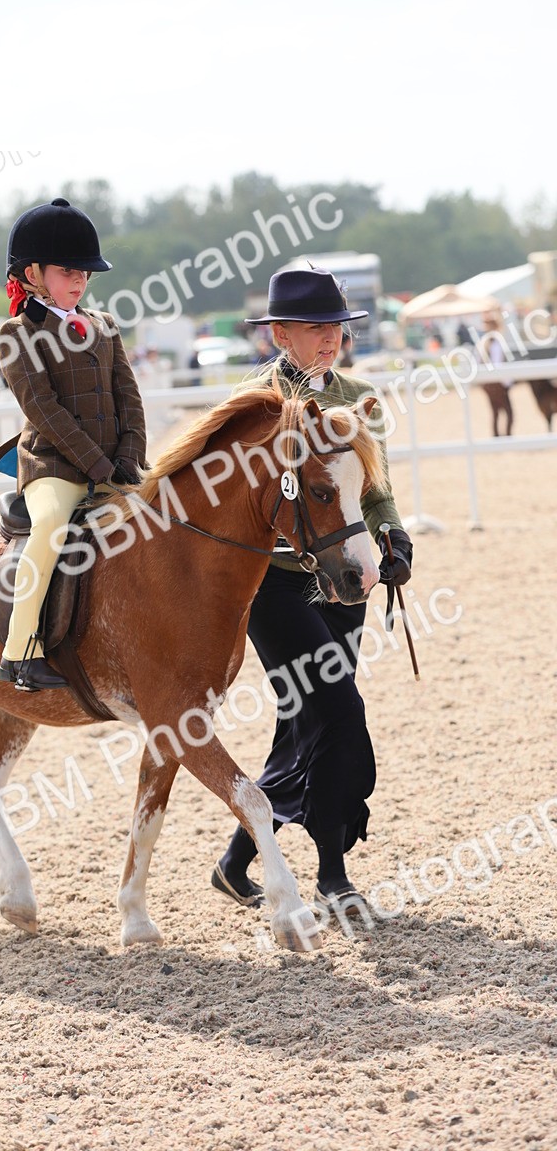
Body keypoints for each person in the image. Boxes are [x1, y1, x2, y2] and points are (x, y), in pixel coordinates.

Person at [211, 267, 413, 916]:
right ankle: (333, 873)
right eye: (317, 328)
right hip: (275, 585)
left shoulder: (357, 395)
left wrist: (395, 539)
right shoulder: (256, 405)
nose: (331, 339)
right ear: (279, 333)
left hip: (344, 581)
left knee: (302, 717)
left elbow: (373, 492)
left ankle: (236, 860)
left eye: (338, 328)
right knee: (335, 710)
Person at [0, 197, 147, 691]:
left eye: (85, 272)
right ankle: (19, 653)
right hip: (54, 466)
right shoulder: (18, 333)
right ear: (33, 273)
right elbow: (45, 411)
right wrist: (99, 467)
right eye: (67, 271)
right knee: (53, 528)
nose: (79, 280)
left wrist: (129, 455)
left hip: (112, 463)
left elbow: (129, 395)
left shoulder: (104, 325)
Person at [479, 315, 514, 437]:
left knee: (495, 412)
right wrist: (507, 382)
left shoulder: (483, 343)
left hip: (487, 383)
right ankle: (507, 436)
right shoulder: (496, 343)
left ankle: (496, 436)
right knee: (509, 412)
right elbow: (498, 364)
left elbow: (478, 361)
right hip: (498, 382)